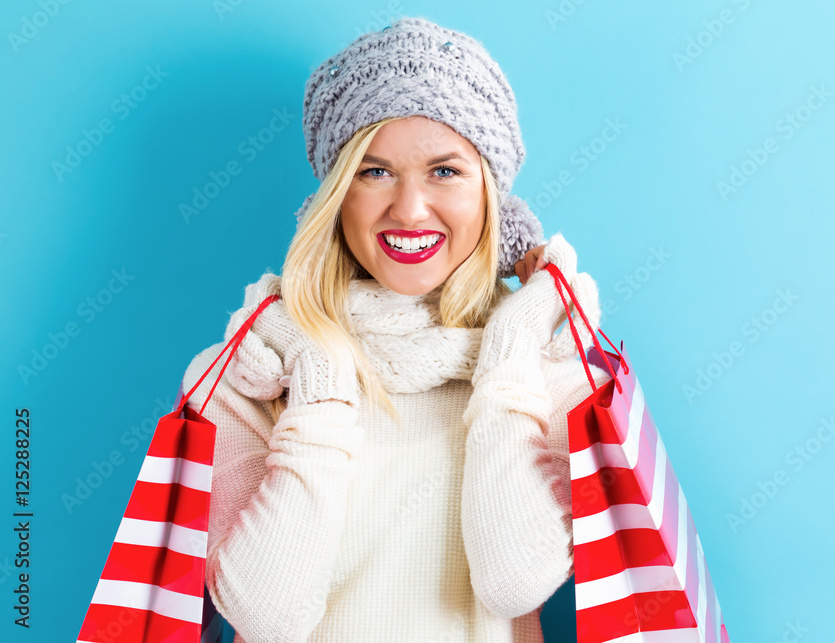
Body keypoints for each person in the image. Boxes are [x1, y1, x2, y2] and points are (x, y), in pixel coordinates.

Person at [180, 16, 611, 642]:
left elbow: (514, 583)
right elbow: (266, 619)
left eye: (445, 171)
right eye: (374, 171)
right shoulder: (246, 371)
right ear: (337, 194)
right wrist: (321, 376)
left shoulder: (549, 371)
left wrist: (510, 346)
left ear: (490, 195)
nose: (409, 209)